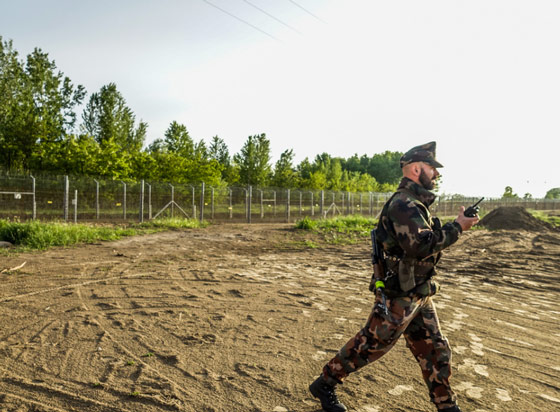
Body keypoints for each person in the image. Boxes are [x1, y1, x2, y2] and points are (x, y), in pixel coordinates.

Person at [309, 142, 479, 412]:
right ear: (415, 169)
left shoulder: (415, 204)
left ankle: (447, 406)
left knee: (435, 350)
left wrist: (456, 225)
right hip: (400, 293)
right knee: (371, 344)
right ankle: (325, 383)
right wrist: (458, 227)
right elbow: (421, 245)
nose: (435, 174)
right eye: (431, 168)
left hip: (418, 290)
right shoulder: (404, 204)